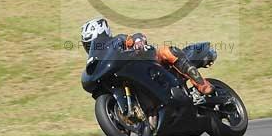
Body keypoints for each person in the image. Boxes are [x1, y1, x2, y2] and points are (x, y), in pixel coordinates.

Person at [79, 17, 214, 95]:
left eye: (90, 44)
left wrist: (138, 43)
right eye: (88, 45)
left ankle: (202, 84)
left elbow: (137, 36)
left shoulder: (117, 41)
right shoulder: (98, 64)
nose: (91, 48)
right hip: (134, 80)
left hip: (151, 65)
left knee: (166, 51)